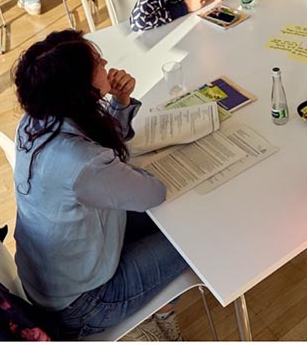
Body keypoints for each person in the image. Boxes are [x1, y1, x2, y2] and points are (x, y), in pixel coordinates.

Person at [12, 30, 187, 340]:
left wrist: (120, 102)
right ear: (79, 88)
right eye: (96, 63)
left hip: (56, 275)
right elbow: (153, 192)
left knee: (175, 216)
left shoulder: (35, 121)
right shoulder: (82, 163)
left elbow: (99, 142)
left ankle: (154, 310)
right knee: (191, 234)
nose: (105, 63)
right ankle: (156, 319)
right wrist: (124, 169)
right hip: (87, 304)